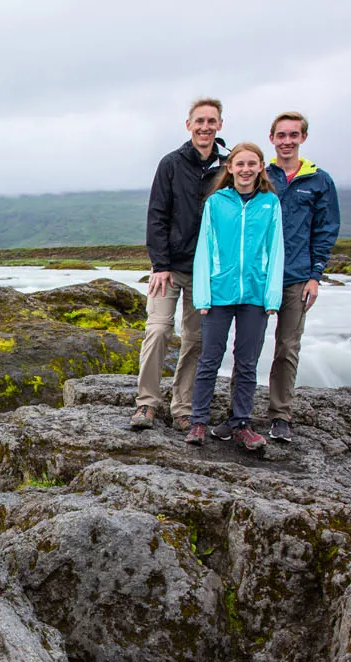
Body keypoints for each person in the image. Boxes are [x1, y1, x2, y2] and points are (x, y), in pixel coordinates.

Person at [213, 111, 340, 442]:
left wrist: (315, 275)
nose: (287, 141)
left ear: (303, 138)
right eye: (281, 135)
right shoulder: (260, 175)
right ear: (272, 139)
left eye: (293, 135)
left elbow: (325, 230)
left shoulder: (319, 181)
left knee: (287, 346)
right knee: (246, 350)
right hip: (255, 278)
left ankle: (280, 414)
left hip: (296, 277)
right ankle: (239, 415)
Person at [130, 98, 229, 432]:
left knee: (195, 339)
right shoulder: (171, 164)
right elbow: (157, 214)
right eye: (199, 121)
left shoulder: (228, 167)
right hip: (169, 268)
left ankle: (182, 408)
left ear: (219, 125)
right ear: (189, 125)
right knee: (158, 330)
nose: (205, 127)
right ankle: (146, 404)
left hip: (206, 272)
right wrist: (159, 265)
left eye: (211, 121)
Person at [184, 142, 284, 451]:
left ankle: (242, 423)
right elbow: (205, 249)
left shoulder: (270, 204)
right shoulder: (217, 203)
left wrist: (272, 298)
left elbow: (276, 250)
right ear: (230, 168)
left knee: (247, 362)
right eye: (239, 164)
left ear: (260, 167)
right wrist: (202, 297)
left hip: (254, 294)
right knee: (209, 359)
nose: (245, 169)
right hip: (219, 293)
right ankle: (198, 421)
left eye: (251, 164)